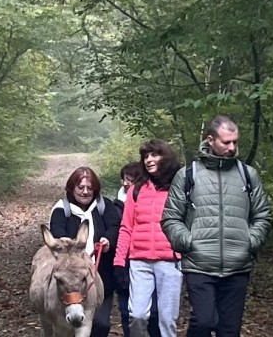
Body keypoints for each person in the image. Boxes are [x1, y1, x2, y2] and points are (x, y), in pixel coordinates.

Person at [161, 115, 273, 337]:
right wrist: (189, 242)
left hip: (238, 265)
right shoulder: (188, 175)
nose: (232, 148)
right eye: (226, 142)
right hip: (199, 264)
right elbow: (170, 218)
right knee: (203, 322)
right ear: (210, 140)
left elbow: (263, 215)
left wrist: (249, 241)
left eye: (235, 142)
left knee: (229, 331)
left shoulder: (247, 175)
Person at [114, 141, 182, 337]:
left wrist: (184, 251)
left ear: (165, 157)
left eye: (154, 155)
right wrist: (119, 261)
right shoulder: (137, 189)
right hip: (139, 261)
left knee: (167, 319)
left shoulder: (178, 187)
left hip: (170, 261)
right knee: (137, 315)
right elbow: (126, 227)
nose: (149, 160)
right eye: (146, 157)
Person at [48, 166, 122, 337]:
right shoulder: (61, 209)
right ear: (72, 188)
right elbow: (56, 228)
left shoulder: (105, 206)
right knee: (69, 326)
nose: (85, 192)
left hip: (101, 274)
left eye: (90, 188)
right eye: (80, 187)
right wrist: (64, 240)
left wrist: (108, 240)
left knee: (101, 324)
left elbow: (115, 226)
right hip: (70, 280)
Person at [114, 162, 161, 337]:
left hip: (146, 260)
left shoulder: (153, 199)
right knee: (128, 313)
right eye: (125, 179)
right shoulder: (114, 205)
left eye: (131, 179)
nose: (126, 183)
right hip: (123, 264)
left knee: (155, 313)